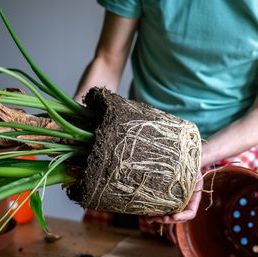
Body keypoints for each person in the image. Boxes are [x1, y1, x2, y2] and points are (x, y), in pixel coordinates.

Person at [74, 0, 258, 231]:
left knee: (212, 245)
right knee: (110, 244)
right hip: (136, 143)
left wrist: (190, 160)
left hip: (228, 147)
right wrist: (73, 123)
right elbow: (109, 60)